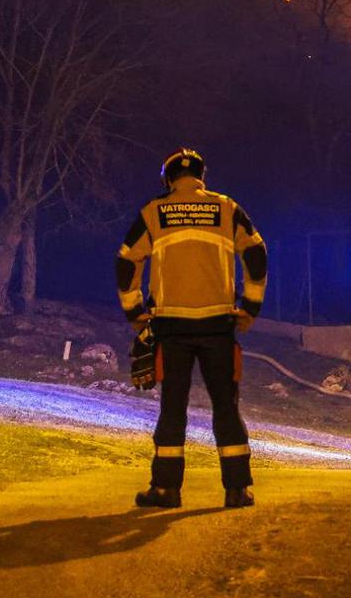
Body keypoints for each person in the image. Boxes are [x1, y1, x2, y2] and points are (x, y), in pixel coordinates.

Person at [115, 148, 268, 509]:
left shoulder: (154, 212)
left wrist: (135, 311)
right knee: (226, 407)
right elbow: (257, 253)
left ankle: (166, 489)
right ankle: (237, 489)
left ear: (168, 179)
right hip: (218, 326)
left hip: (172, 327)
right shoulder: (226, 208)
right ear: (202, 177)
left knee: (172, 407)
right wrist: (250, 307)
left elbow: (126, 261)